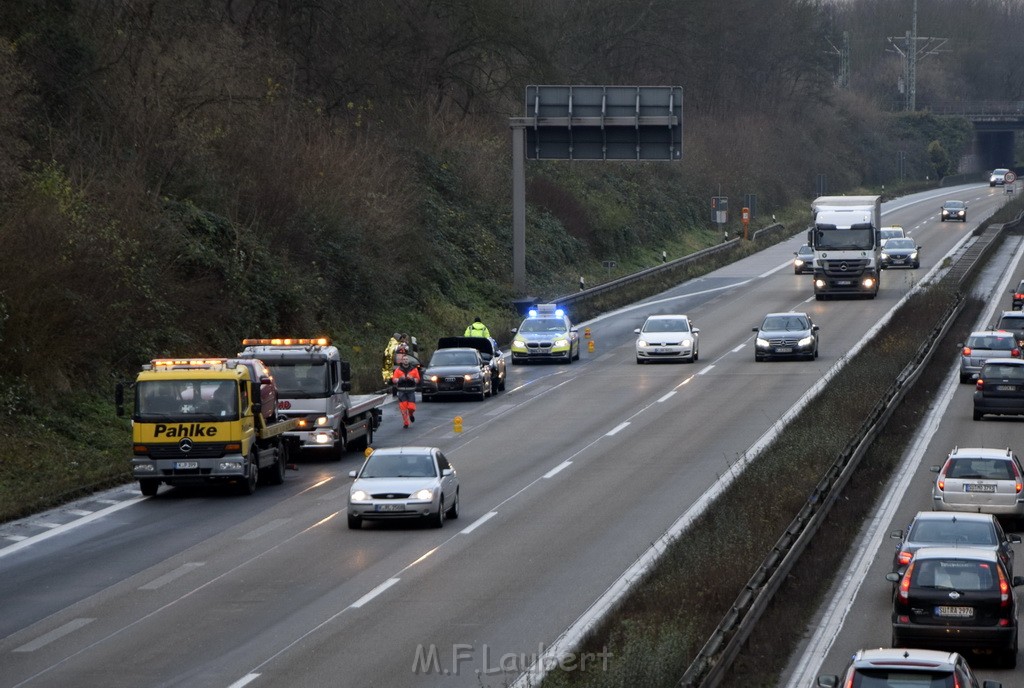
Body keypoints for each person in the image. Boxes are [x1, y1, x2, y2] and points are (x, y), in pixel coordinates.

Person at [391, 354, 421, 428]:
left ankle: (411, 414)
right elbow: (394, 379)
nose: (405, 360)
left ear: (408, 360)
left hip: (411, 391)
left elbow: (418, 379)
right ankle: (406, 423)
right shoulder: (398, 370)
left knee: (411, 407)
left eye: (406, 359)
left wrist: (412, 379)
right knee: (403, 409)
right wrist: (400, 379)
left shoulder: (414, 369)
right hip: (401, 392)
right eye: (404, 359)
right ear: (402, 361)